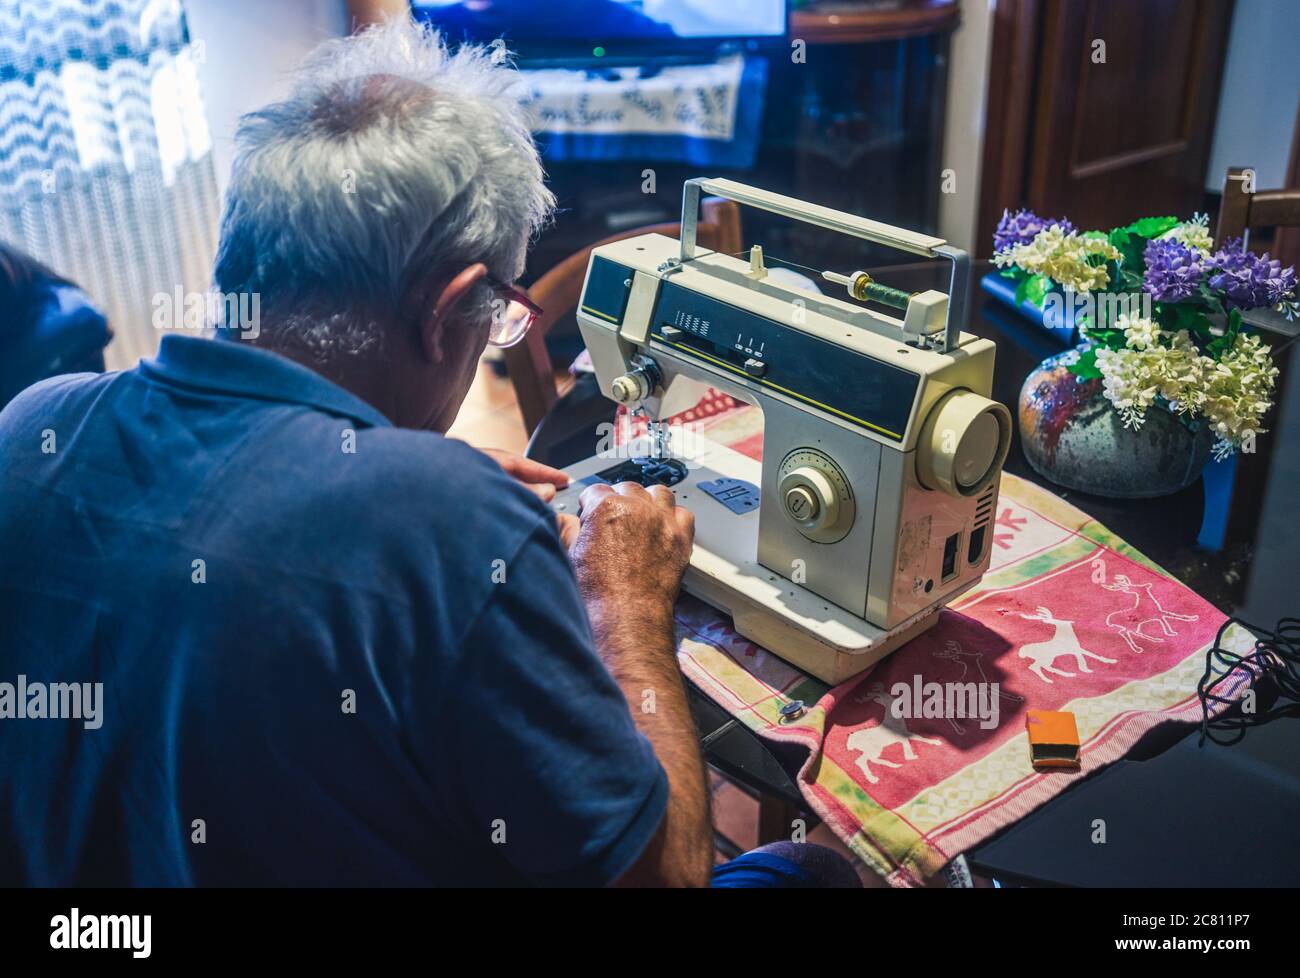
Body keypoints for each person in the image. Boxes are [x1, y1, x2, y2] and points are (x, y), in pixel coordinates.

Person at [0, 18, 857, 888]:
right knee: (809, 869)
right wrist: (623, 605)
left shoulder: (30, 427)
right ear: (447, 312)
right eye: (500, 314)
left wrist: (403, 490)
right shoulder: (447, 525)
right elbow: (666, 877)